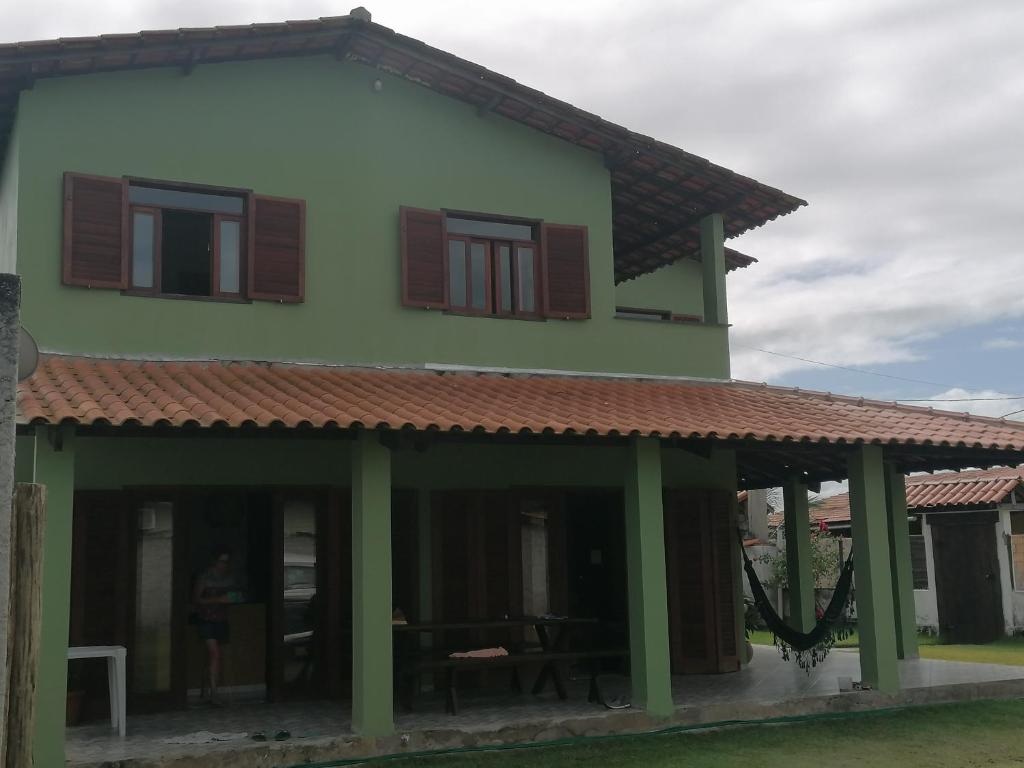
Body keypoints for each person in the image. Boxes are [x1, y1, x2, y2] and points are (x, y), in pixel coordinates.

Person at [193, 548, 237, 705]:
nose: (224, 565)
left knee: (217, 656)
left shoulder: (229, 578)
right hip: (206, 620)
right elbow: (197, 600)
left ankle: (208, 690)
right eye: (222, 561)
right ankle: (214, 693)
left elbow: (236, 596)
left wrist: (232, 598)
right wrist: (218, 600)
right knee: (214, 654)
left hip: (222, 620)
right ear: (215, 561)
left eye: (227, 561)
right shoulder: (205, 577)